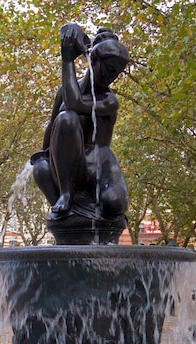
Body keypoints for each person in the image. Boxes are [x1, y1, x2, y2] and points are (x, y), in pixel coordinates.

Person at [30, 24, 131, 243]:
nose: (112, 76)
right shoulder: (65, 92)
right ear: (94, 60)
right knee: (44, 158)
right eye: (109, 68)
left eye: (117, 71)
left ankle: (79, 206)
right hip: (70, 166)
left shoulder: (109, 100)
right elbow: (53, 126)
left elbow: (75, 103)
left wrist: (67, 61)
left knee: (113, 203)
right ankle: (67, 196)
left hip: (100, 168)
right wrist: (44, 156)